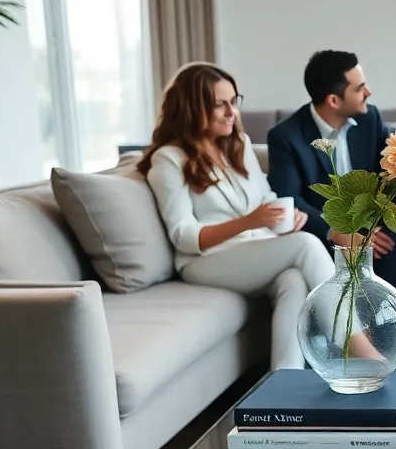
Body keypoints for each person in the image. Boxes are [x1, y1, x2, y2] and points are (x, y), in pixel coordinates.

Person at [139, 62, 335, 370]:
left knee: (294, 280)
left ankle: (283, 387)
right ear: (192, 107)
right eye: (220, 105)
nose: (232, 112)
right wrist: (249, 222)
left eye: (234, 101)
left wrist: (287, 218)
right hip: (205, 261)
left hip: (252, 251)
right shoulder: (169, 160)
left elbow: (265, 197)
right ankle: (358, 345)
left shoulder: (238, 145)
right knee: (306, 245)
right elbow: (183, 235)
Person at [266, 51, 396, 297]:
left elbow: (388, 176)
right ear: (333, 100)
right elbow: (290, 200)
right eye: (360, 88)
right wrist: (336, 232)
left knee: (391, 245)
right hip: (321, 237)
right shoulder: (285, 137)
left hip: (369, 226)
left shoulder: (370, 118)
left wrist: (369, 226)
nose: (368, 92)